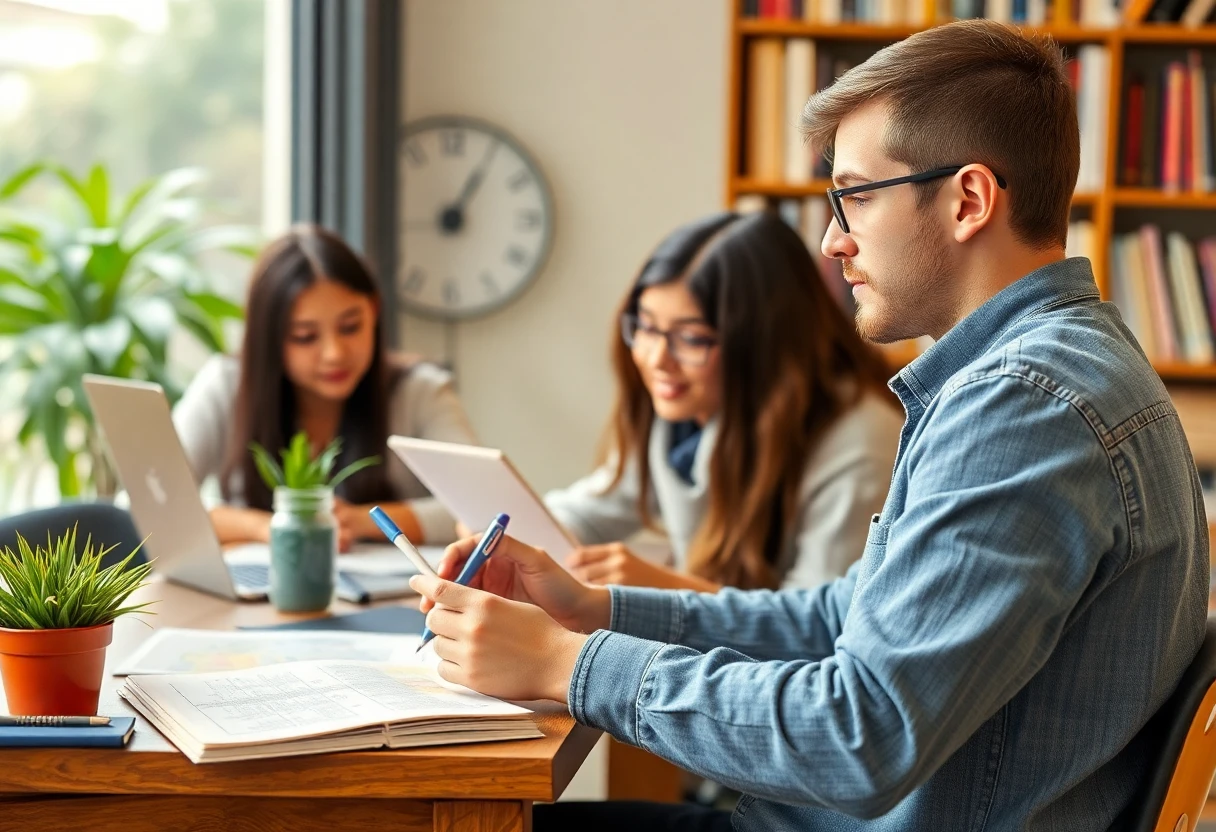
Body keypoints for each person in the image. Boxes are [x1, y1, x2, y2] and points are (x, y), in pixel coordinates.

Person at [409, 20, 1209, 831]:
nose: (832, 240)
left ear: (968, 200)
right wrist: (596, 610)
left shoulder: (1023, 406)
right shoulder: (1051, 371)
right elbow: (841, 621)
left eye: (855, 195)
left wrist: (566, 664)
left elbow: (860, 737)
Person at [544, 211, 902, 592]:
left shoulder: (859, 446)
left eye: (692, 338)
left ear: (766, 345)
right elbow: (595, 510)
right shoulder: (686, 409)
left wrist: (664, 592)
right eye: (647, 327)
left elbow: (822, 624)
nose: (657, 360)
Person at [173, 224, 477, 550]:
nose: (334, 354)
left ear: (373, 311)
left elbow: (483, 505)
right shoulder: (226, 385)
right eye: (305, 336)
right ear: (269, 337)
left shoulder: (420, 392)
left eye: (350, 327)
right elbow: (152, 505)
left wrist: (358, 520)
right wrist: (265, 526)